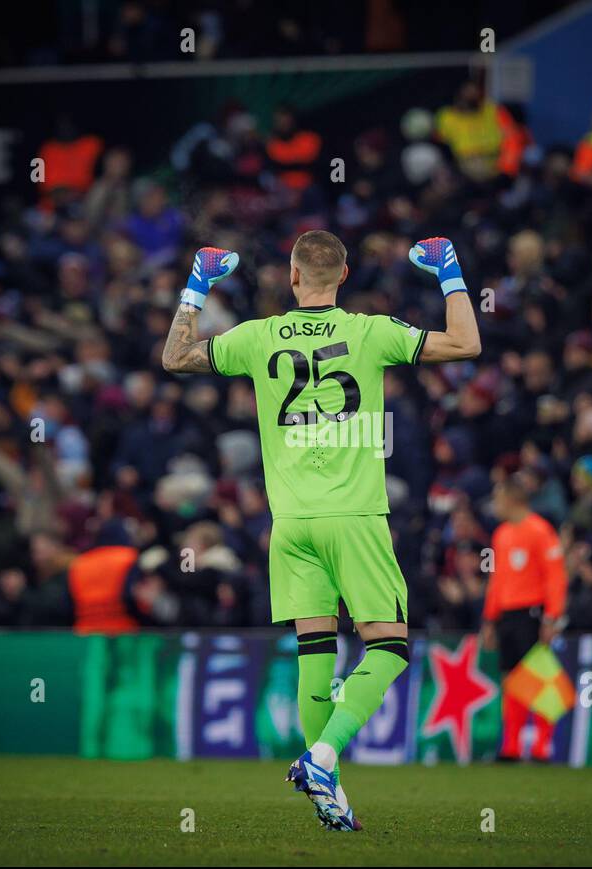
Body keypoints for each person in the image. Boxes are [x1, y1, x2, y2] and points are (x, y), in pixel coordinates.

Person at [161, 230, 480, 829]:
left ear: (292, 277)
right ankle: (324, 756)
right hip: (355, 518)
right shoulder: (370, 331)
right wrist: (449, 272)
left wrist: (197, 284)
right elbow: (466, 341)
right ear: (345, 274)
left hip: (290, 525)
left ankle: (326, 788)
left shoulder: (257, 337)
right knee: (388, 645)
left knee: (316, 653)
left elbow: (175, 358)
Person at [479, 476, 568, 761]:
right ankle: (512, 747)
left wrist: (552, 617)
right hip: (507, 616)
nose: (495, 504)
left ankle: (542, 747)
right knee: (511, 679)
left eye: (498, 497)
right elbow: (497, 580)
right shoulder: (501, 534)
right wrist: (490, 619)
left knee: (539, 679)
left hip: (532, 613)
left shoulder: (540, 531)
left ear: (512, 499)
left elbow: (555, 577)